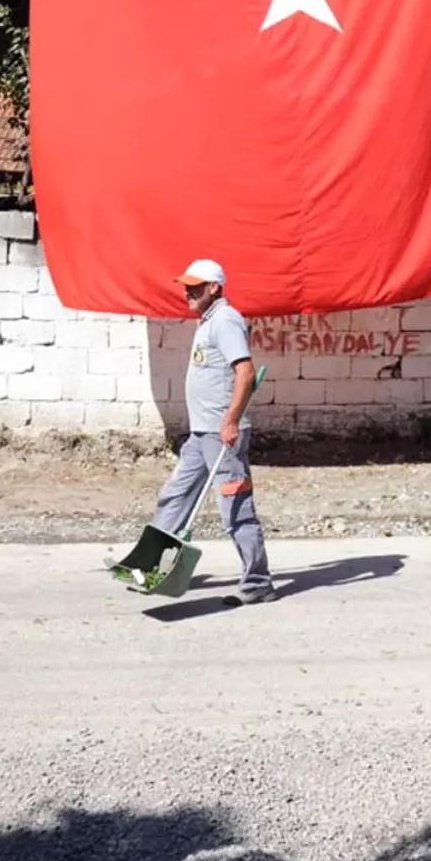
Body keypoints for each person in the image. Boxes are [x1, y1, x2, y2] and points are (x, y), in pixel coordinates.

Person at [149, 258, 275, 604]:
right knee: (175, 496)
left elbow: (245, 373)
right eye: (186, 285)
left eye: (195, 285)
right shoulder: (206, 322)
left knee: (235, 509)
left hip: (222, 436)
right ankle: (151, 566)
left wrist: (231, 421)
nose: (187, 290)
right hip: (200, 434)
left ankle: (258, 583)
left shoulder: (226, 320)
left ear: (214, 288)